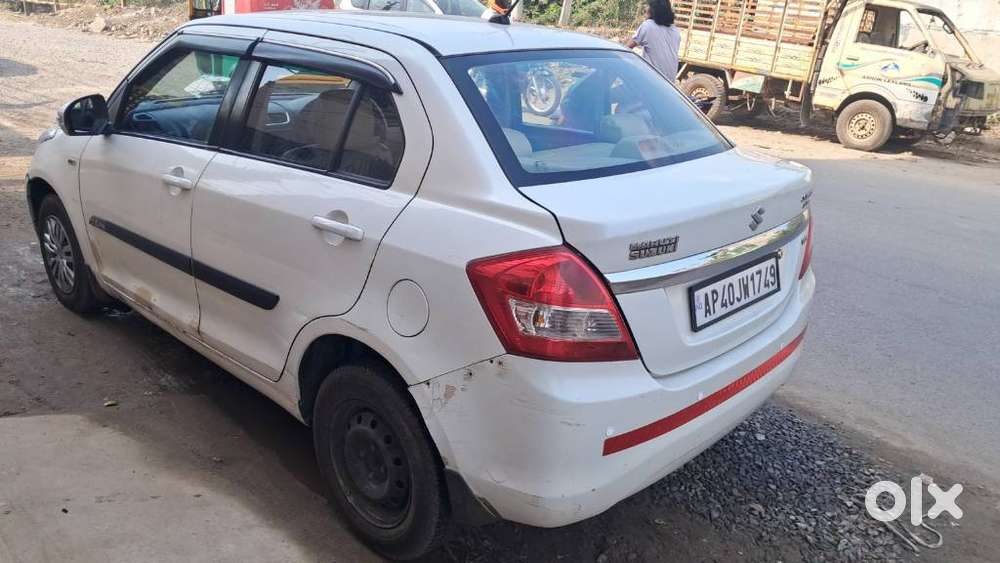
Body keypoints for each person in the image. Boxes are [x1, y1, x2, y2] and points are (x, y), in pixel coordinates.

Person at [626, 0, 681, 83]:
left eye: (648, 7)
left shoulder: (648, 26)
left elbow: (625, 48)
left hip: (651, 82)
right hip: (669, 86)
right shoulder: (675, 31)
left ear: (653, 10)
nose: (646, 10)